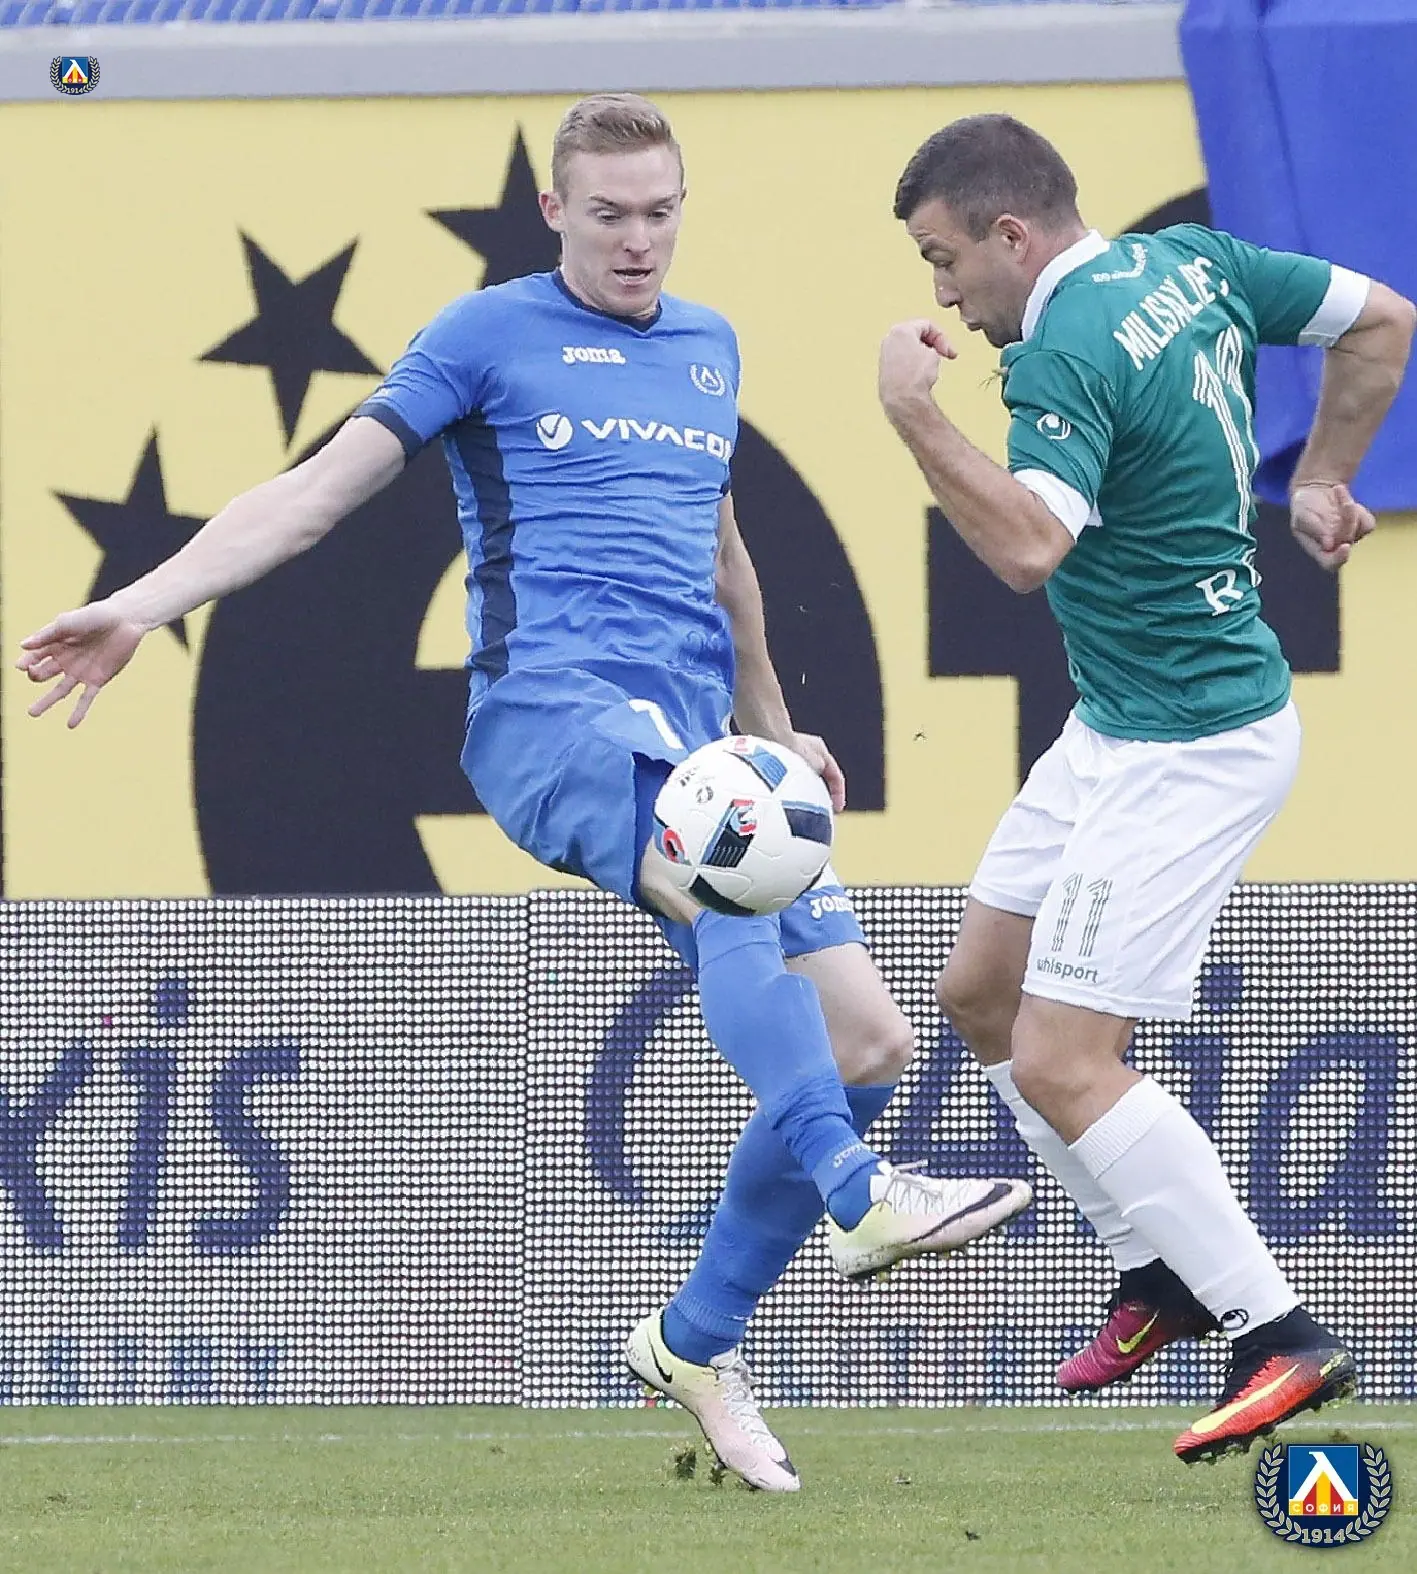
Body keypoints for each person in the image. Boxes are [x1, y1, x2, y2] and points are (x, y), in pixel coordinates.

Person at [18, 94, 1030, 1492]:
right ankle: (858, 1198)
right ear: (556, 211)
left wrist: (776, 728)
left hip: (693, 737)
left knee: (867, 1043)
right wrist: (143, 602)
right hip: (549, 721)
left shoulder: (708, 344)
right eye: (607, 214)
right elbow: (311, 494)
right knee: (728, 874)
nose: (636, 240)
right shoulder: (484, 336)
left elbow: (723, 557)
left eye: (659, 212)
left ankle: (694, 1341)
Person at [877, 112, 1415, 1463]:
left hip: (1190, 744)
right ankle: (1158, 1270)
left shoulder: (1062, 347)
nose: (946, 292)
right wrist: (1325, 477)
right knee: (981, 993)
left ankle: (1277, 1330)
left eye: (945, 259)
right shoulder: (1191, 260)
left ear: (1011, 234)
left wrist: (915, 414)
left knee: (1063, 1059)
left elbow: (1029, 549)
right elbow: (1383, 321)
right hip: (1121, 721)